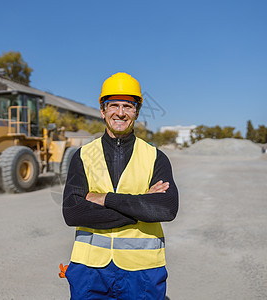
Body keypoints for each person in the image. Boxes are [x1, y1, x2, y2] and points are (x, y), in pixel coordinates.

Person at [62, 72, 179, 299]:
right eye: (113, 105)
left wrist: (105, 198)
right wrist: (141, 204)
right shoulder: (83, 156)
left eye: (128, 106)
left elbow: (166, 208)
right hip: (90, 269)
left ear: (136, 112)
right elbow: (72, 212)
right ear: (103, 110)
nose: (120, 113)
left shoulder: (155, 157)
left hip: (142, 270)